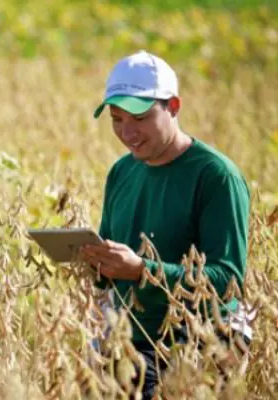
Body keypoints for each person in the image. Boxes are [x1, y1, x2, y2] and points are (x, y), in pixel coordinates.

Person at [80, 50, 253, 399]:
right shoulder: (122, 172)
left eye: (139, 118)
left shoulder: (216, 176)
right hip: (133, 334)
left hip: (202, 338)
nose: (127, 133)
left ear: (173, 106)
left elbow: (229, 280)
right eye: (117, 119)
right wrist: (97, 262)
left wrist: (143, 270)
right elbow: (116, 265)